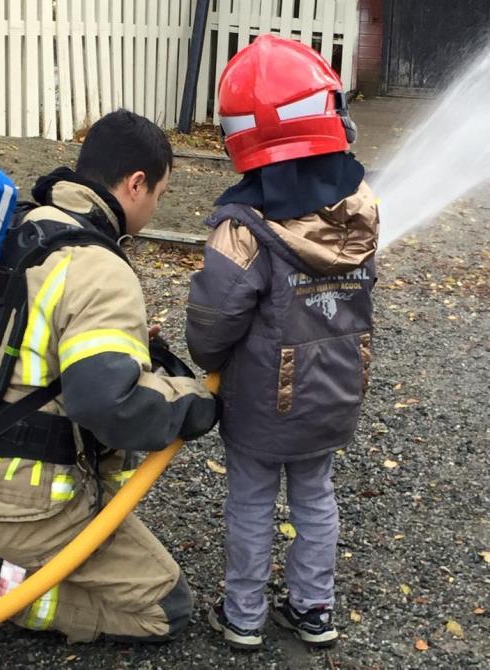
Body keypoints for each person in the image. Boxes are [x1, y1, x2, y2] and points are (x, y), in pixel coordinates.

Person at [0, 109, 218, 643]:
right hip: (24, 498)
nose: (156, 204)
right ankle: (5, 586)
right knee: (166, 609)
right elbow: (107, 405)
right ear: (135, 184)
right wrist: (193, 404)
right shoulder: (99, 267)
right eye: (158, 193)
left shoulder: (27, 227)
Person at [185, 35, 379, 650]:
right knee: (316, 495)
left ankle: (243, 616)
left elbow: (213, 322)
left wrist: (209, 363)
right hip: (334, 392)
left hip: (264, 403)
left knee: (250, 499)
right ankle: (313, 609)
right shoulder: (360, 212)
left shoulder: (243, 228)